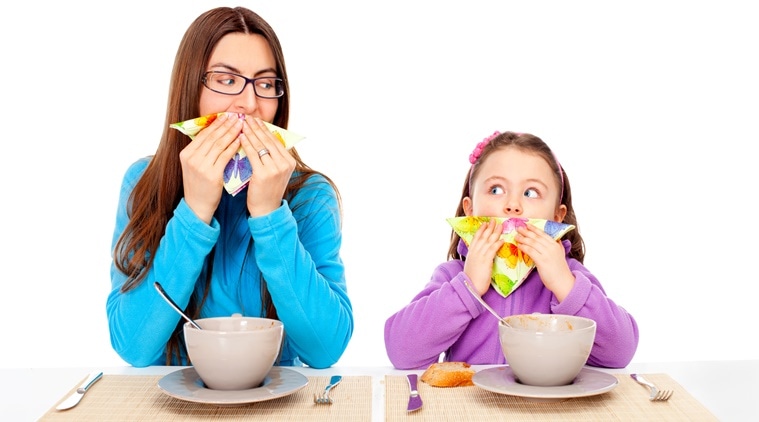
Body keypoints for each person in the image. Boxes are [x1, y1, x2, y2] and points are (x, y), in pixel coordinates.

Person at [107, 7, 353, 368]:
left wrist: (270, 216)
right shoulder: (143, 183)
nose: (250, 104)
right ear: (190, 87)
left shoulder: (310, 195)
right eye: (226, 80)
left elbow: (325, 349)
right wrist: (194, 213)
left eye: (266, 84)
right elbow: (133, 346)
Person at [384, 131, 638, 369]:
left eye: (531, 192)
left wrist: (564, 285)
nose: (513, 205)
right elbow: (401, 351)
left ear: (557, 217)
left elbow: (620, 352)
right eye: (496, 190)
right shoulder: (454, 275)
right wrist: (467, 288)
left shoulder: (570, 276)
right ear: (470, 210)